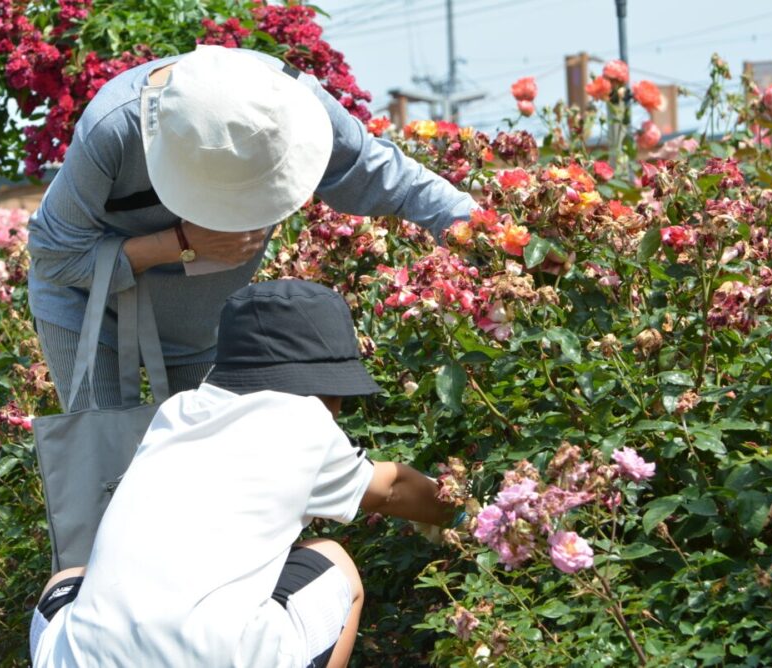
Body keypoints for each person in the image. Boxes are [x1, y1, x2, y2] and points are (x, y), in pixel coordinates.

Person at [28, 279, 456, 667]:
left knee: (69, 578)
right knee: (334, 562)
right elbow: (392, 487)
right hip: (224, 658)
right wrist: (470, 514)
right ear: (328, 386)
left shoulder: (177, 412)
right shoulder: (304, 420)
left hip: (81, 661)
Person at [27, 44, 475, 410]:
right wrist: (179, 244)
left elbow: (375, 170)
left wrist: (481, 228)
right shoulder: (115, 128)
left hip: (201, 321)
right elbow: (53, 257)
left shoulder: (292, 101)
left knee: (209, 466)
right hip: (90, 311)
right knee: (104, 470)